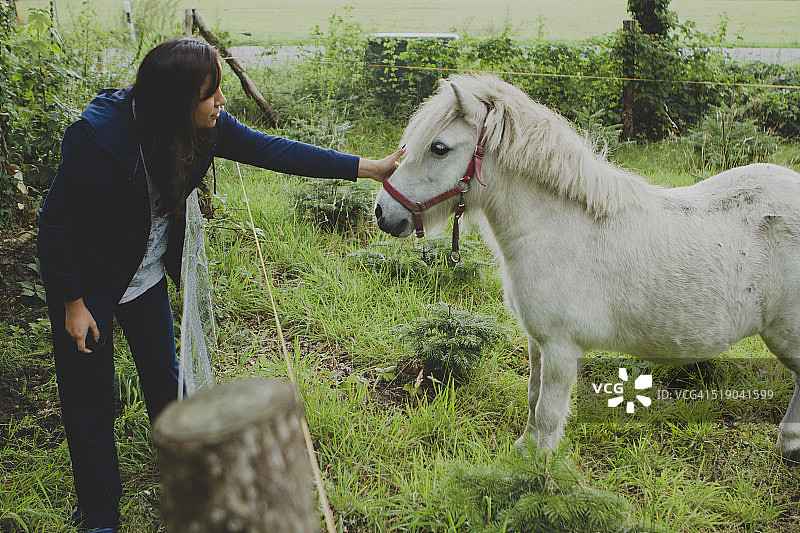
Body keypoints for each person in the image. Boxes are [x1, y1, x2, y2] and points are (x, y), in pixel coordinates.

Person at [36, 38, 402, 532]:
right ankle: (100, 515)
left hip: (144, 280)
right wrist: (74, 303)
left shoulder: (204, 130)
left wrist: (368, 169)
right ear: (175, 101)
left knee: (169, 383)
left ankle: (190, 477)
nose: (221, 103)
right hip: (90, 284)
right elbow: (56, 223)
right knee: (90, 402)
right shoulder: (99, 137)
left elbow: (278, 152)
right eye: (211, 94)